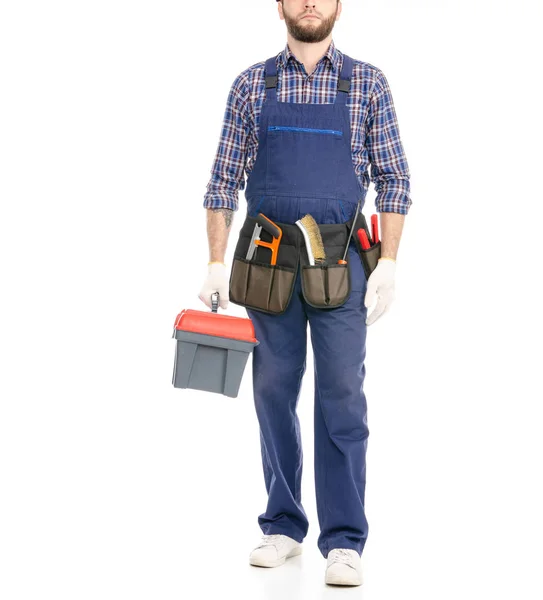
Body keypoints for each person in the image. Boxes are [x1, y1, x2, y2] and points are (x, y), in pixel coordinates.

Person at [198, 0, 411, 587]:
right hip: (267, 265)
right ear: (280, 5)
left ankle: (344, 540)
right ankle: (284, 526)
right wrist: (216, 262)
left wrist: (388, 261)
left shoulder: (367, 83)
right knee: (272, 389)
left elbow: (394, 178)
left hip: (341, 264)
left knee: (342, 394)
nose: (309, 2)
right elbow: (221, 180)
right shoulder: (250, 86)